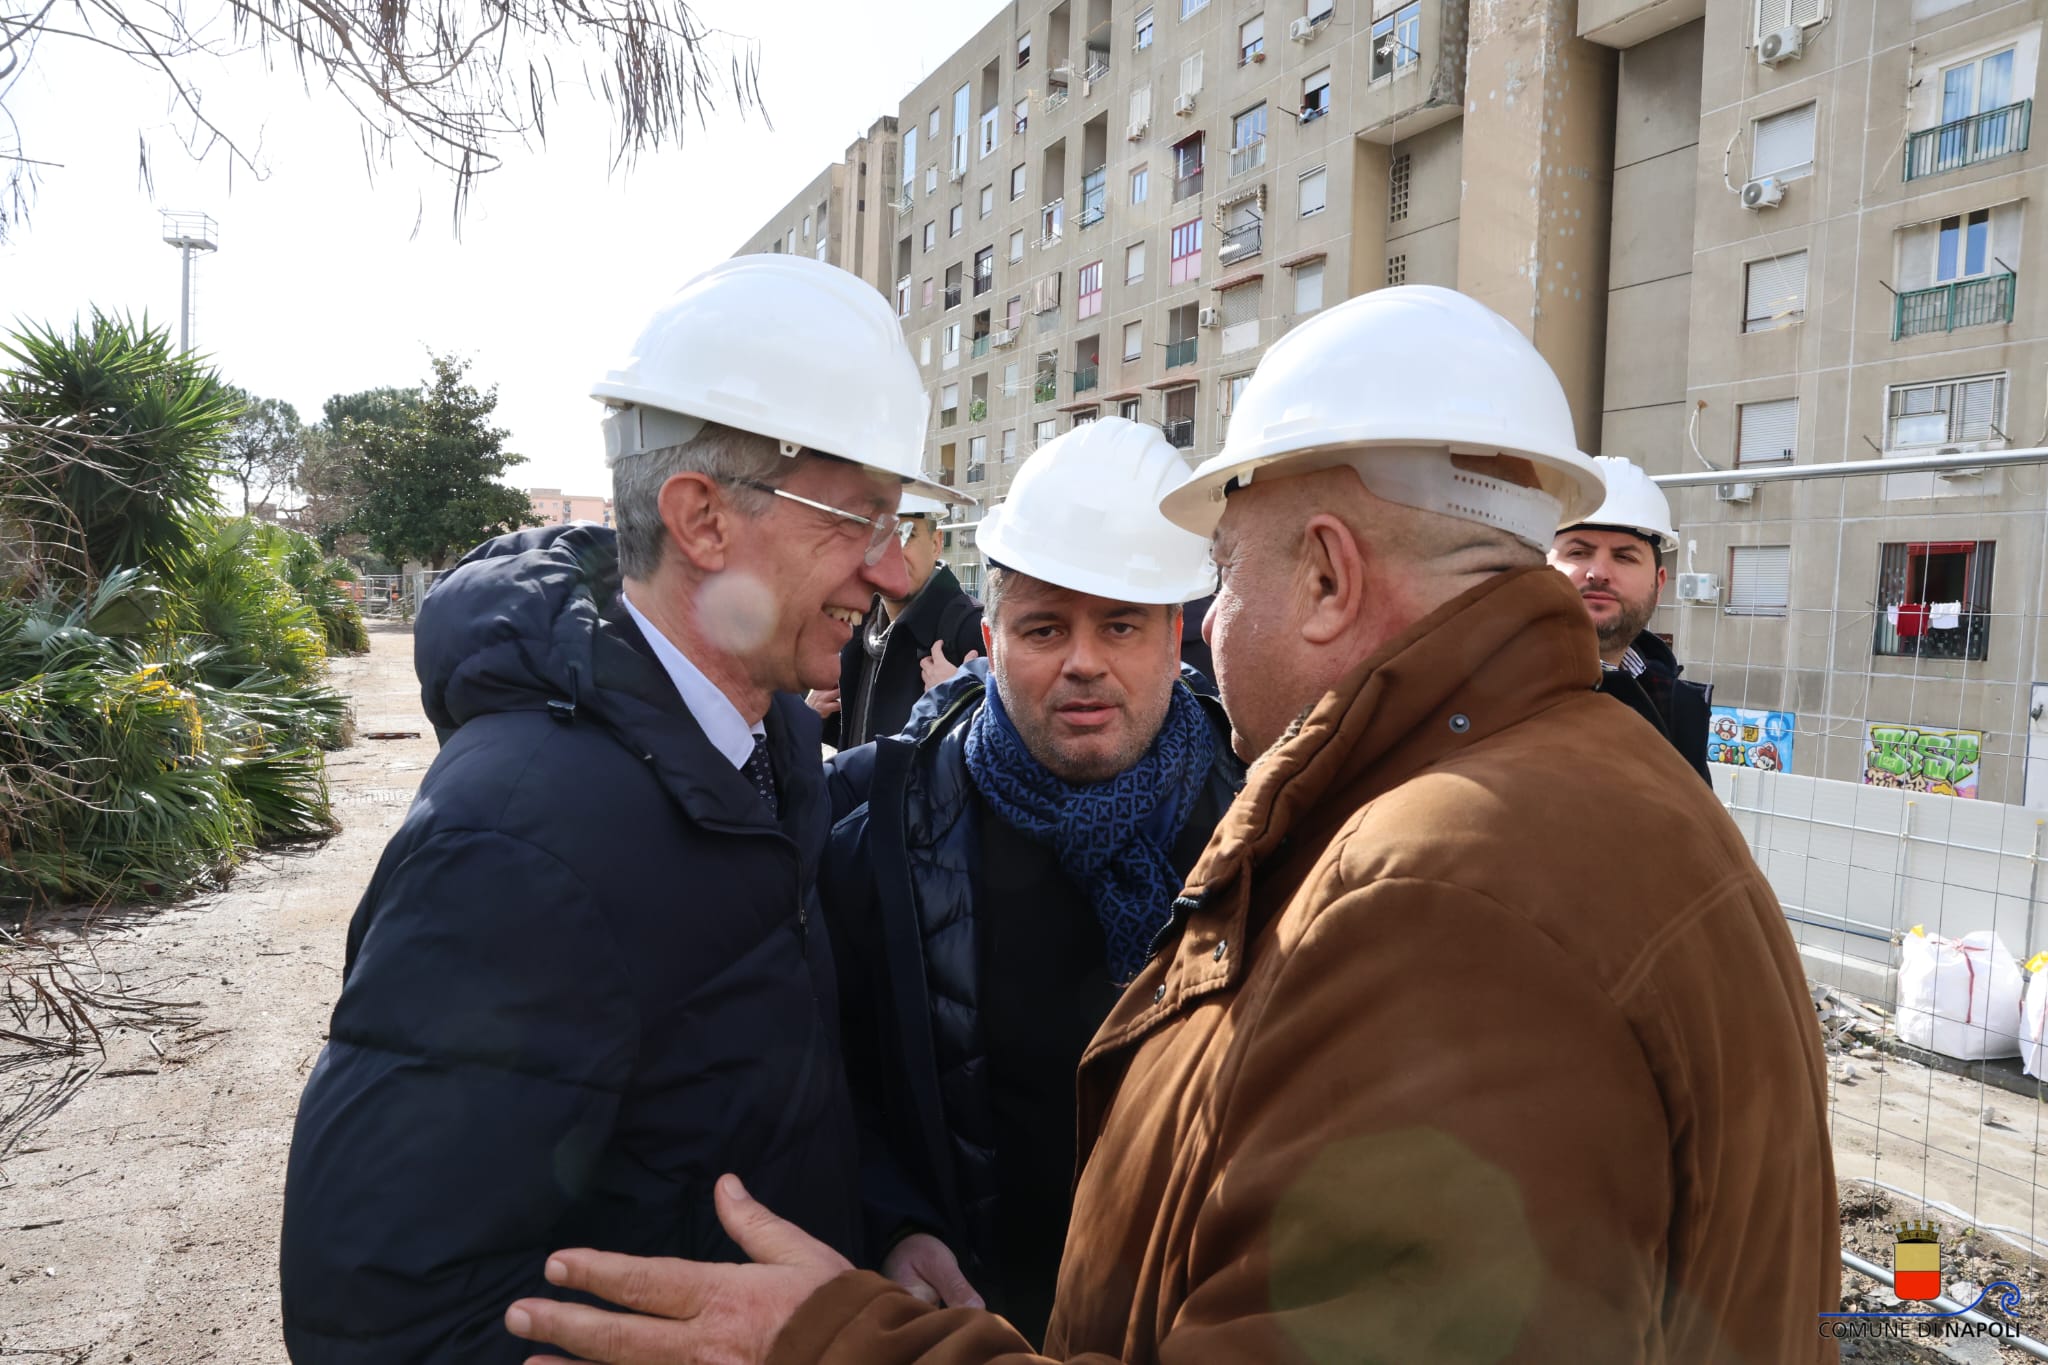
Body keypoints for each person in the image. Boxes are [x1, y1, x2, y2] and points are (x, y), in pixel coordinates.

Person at [503, 285, 1841, 1365]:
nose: (1204, 630)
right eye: (1045, 623)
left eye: (1215, 580)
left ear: (1326, 573)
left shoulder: (1445, 898)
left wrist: (844, 1346)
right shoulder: (1544, 793)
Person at [279, 254, 966, 1363]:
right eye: (859, 522)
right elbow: (375, 1314)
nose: (893, 576)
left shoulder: (775, 736)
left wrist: (879, 1226)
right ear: (701, 520)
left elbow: (770, 1077)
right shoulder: (513, 843)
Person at [820, 417, 1244, 1347]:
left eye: (1121, 624)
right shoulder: (880, 832)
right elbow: (824, 1077)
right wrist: (891, 1221)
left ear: (1176, 632)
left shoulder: (1267, 820)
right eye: (1046, 626)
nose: (1084, 661)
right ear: (991, 636)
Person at [1550, 455, 1714, 783]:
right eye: (1578, 553)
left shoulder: (1678, 709)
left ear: (1660, 582)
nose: (1598, 573)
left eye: (1624, 557)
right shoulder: (1486, 686)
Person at [809, 493, 985, 749]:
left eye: (908, 534)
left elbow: (1011, 753)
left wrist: (966, 704)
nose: (891, 552)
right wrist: (811, 716)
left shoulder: (970, 629)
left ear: (936, 544)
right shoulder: (856, 625)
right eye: (881, 535)